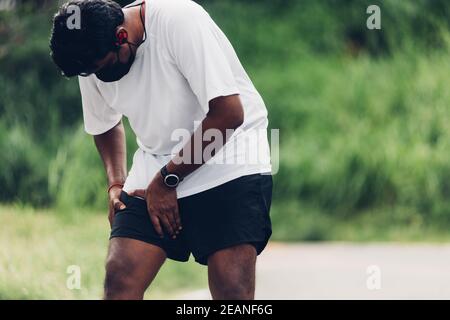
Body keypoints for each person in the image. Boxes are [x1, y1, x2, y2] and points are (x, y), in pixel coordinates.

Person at [50, 0, 273, 300]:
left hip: (229, 155)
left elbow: (229, 113)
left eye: (101, 70)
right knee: (120, 279)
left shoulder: (179, 20)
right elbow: (104, 124)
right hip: (156, 162)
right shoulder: (90, 56)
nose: (97, 79)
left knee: (231, 291)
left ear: (121, 36)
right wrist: (116, 183)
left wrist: (168, 179)